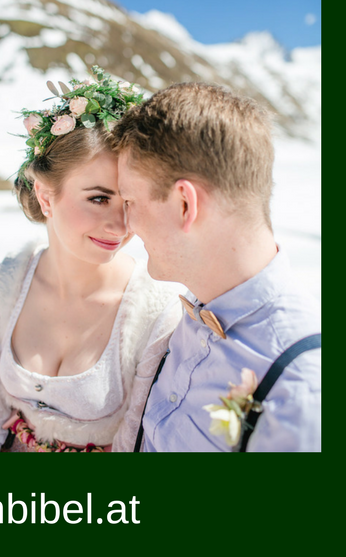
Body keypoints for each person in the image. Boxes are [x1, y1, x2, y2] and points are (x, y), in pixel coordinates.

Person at [0, 71, 182, 453]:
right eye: (98, 198)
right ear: (46, 196)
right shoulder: (8, 282)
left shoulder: (156, 312)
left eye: (129, 201)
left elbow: (134, 449)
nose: (120, 224)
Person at [110, 83, 321, 451]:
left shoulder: (303, 395)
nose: (125, 223)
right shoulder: (185, 311)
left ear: (184, 205)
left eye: (129, 201)